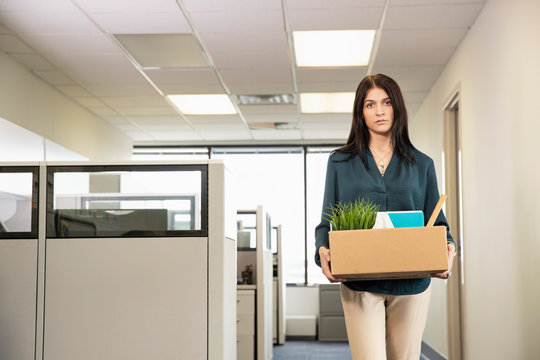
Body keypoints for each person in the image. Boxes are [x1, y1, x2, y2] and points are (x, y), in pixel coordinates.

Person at [314, 73, 456, 360]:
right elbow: (326, 223)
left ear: (397, 107)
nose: (379, 111)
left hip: (412, 284)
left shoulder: (422, 164)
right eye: (369, 104)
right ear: (360, 112)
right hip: (360, 284)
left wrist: (448, 250)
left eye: (386, 102)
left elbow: (438, 223)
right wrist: (322, 251)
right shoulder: (340, 162)